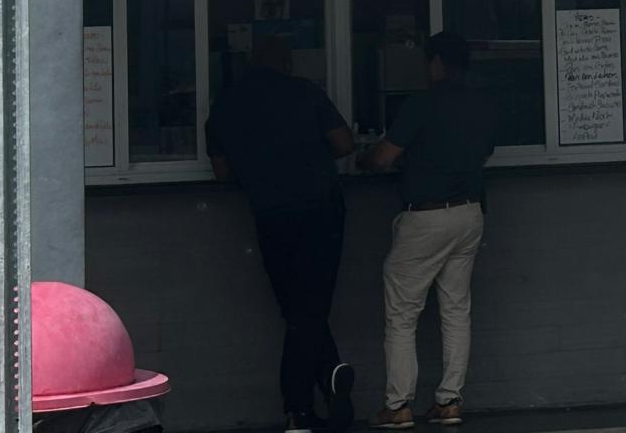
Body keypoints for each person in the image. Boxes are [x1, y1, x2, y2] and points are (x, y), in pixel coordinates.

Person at [206, 36, 357, 433]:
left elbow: (222, 172)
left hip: (270, 215)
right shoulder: (305, 92)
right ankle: (300, 406)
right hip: (320, 211)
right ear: (287, 63)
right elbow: (344, 144)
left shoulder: (226, 104)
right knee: (309, 309)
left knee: (296, 308)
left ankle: (325, 384)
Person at [361, 33, 500, 430]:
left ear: (436, 62)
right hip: (470, 213)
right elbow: (485, 153)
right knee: (456, 309)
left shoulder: (421, 103)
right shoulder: (483, 104)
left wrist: (364, 156)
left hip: (425, 217)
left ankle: (398, 405)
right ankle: (449, 401)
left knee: (403, 314)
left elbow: (383, 157)